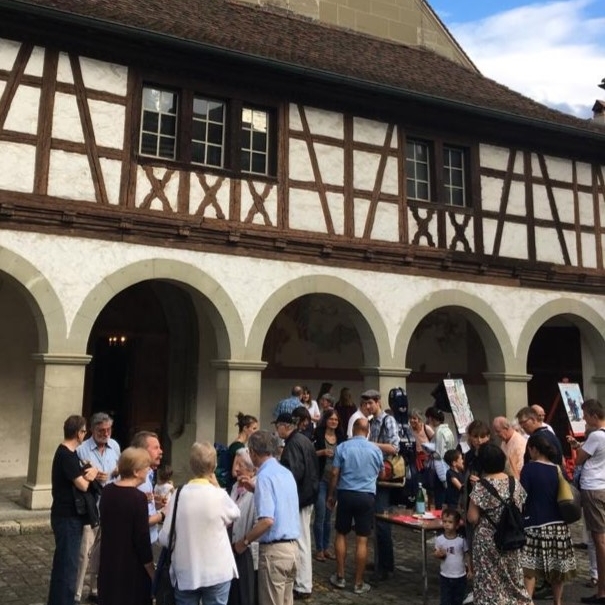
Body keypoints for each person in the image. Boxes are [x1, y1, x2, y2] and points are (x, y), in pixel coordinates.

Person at [159, 442, 240, 605]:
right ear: (214, 465)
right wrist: (217, 485)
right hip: (218, 570)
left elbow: (165, 538)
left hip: (187, 570)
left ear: (191, 465)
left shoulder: (179, 495)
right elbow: (235, 512)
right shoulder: (219, 495)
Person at [233, 430, 299, 605]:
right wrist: (254, 489)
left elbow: (267, 520)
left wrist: (244, 542)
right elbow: (281, 502)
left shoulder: (264, 477)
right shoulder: (286, 473)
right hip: (292, 549)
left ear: (253, 453)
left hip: (274, 552)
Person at [467, 443, 531, 605]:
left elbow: (472, 517)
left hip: (487, 542)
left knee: (489, 583)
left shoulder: (481, 486)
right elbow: (521, 506)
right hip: (512, 537)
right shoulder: (514, 483)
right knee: (513, 580)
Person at [326, 417, 382, 594]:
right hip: (366, 495)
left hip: (346, 493)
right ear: (368, 431)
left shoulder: (343, 447)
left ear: (354, 429)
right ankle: (358, 582)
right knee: (362, 538)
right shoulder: (375, 449)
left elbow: (334, 472)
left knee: (341, 533)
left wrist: (331, 494)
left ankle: (340, 575)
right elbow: (381, 472)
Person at [519, 433, 576, 605]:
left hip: (535, 524)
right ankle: (558, 602)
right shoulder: (557, 468)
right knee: (557, 569)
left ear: (534, 449)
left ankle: (528, 601)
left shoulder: (529, 468)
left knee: (530, 569)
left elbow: (522, 495)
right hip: (559, 524)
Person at [48, 415, 99, 605]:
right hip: (67, 517)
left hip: (67, 516)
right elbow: (83, 485)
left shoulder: (70, 454)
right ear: (79, 433)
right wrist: (92, 474)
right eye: (84, 431)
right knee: (68, 566)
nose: (85, 435)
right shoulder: (66, 455)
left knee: (64, 563)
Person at [98, 447, 155, 605]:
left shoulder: (108, 491)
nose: (149, 470)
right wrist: (151, 570)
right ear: (136, 471)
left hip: (109, 562)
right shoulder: (138, 498)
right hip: (131, 567)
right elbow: (142, 539)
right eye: (146, 467)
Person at [75, 412, 121, 604]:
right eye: (102, 430)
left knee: (102, 552)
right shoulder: (82, 450)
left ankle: (95, 588)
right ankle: (75, 592)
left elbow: (119, 474)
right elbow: (78, 478)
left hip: (109, 506)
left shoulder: (115, 446)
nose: (106, 433)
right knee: (84, 551)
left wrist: (110, 475)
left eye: (109, 429)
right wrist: (94, 477)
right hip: (90, 507)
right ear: (93, 430)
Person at [274, 413, 320, 600]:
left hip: (300, 498)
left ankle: (302, 584)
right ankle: (302, 582)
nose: (277, 430)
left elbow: (293, 474)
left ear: (285, 426)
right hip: (307, 495)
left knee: (300, 541)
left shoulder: (293, 443)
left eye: (278, 426)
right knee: (303, 540)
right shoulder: (303, 439)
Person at [569, 399, 605, 604]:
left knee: (598, 540)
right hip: (603, 485)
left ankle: (602, 591)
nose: (583, 418)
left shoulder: (596, 436)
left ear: (593, 415)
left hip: (593, 487)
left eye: (585, 415)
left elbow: (579, 459)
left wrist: (578, 448)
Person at [367, 389, 400, 582]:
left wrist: (371, 445)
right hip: (374, 475)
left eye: (371, 403)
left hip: (385, 475)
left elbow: (394, 447)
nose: (368, 407)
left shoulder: (388, 421)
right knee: (376, 520)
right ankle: (381, 561)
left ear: (378, 402)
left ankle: (385, 566)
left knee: (382, 520)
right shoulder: (372, 422)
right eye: (366, 404)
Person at [312, 407, 345, 562]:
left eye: (336, 419)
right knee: (320, 513)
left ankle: (326, 547)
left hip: (335, 479)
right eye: (331, 419)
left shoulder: (341, 437)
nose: (333, 422)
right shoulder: (317, 435)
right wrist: (322, 452)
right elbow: (310, 454)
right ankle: (318, 548)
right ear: (325, 420)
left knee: (329, 515)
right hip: (320, 478)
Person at [229, 448, 258, 605]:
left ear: (252, 470)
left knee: (247, 596)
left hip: (248, 554)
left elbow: (259, 525)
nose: (236, 469)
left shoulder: (256, 489)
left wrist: (244, 543)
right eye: (236, 464)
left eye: (240, 464)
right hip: (235, 551)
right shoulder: (235, 487)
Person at [131, 431, 165, 544]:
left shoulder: (148, 474)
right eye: (156, 448)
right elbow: (142, 521)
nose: (161, 452)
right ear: (143, 452)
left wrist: (155, 504)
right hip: (141, 543)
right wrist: (164, 513)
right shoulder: (140, 479)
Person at [434, 509, 471, 605]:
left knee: (458, 599)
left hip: (460, 576)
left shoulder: (461, 540)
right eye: (444, 521)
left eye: (450, 522)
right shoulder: (439, 539)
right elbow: (436, 552)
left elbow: (467, 555)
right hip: (445, 575)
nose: (446, 524)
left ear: (457, 525)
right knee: (445, 599)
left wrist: (470, 570)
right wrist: (439, 554)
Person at [425, 406, 456, 510]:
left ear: (431, 418)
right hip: (449, 465)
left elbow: (439, 454)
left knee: (440, 497)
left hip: (441, 468)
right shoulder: (448, 430)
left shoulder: (439, 432)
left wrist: (429, 451)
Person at [227, 413, 259, 491]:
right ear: (245, 428)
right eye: (254, 428)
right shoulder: (239, 448)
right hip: (234, 486)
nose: (256, 432)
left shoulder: (236, 445)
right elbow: (234, 472)